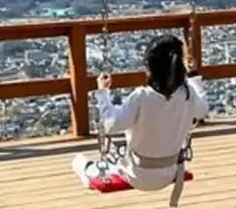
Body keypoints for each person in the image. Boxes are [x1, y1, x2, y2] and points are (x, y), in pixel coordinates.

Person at [71, 34, 209, 195]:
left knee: (78, 161)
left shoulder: (142, 97)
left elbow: (111, 124)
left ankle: (88, 174)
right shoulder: (187, 94)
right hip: (170, 172)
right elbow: (203, 110)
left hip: (135, 174)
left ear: (148, 68)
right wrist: (193, 78)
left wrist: (103, 93)